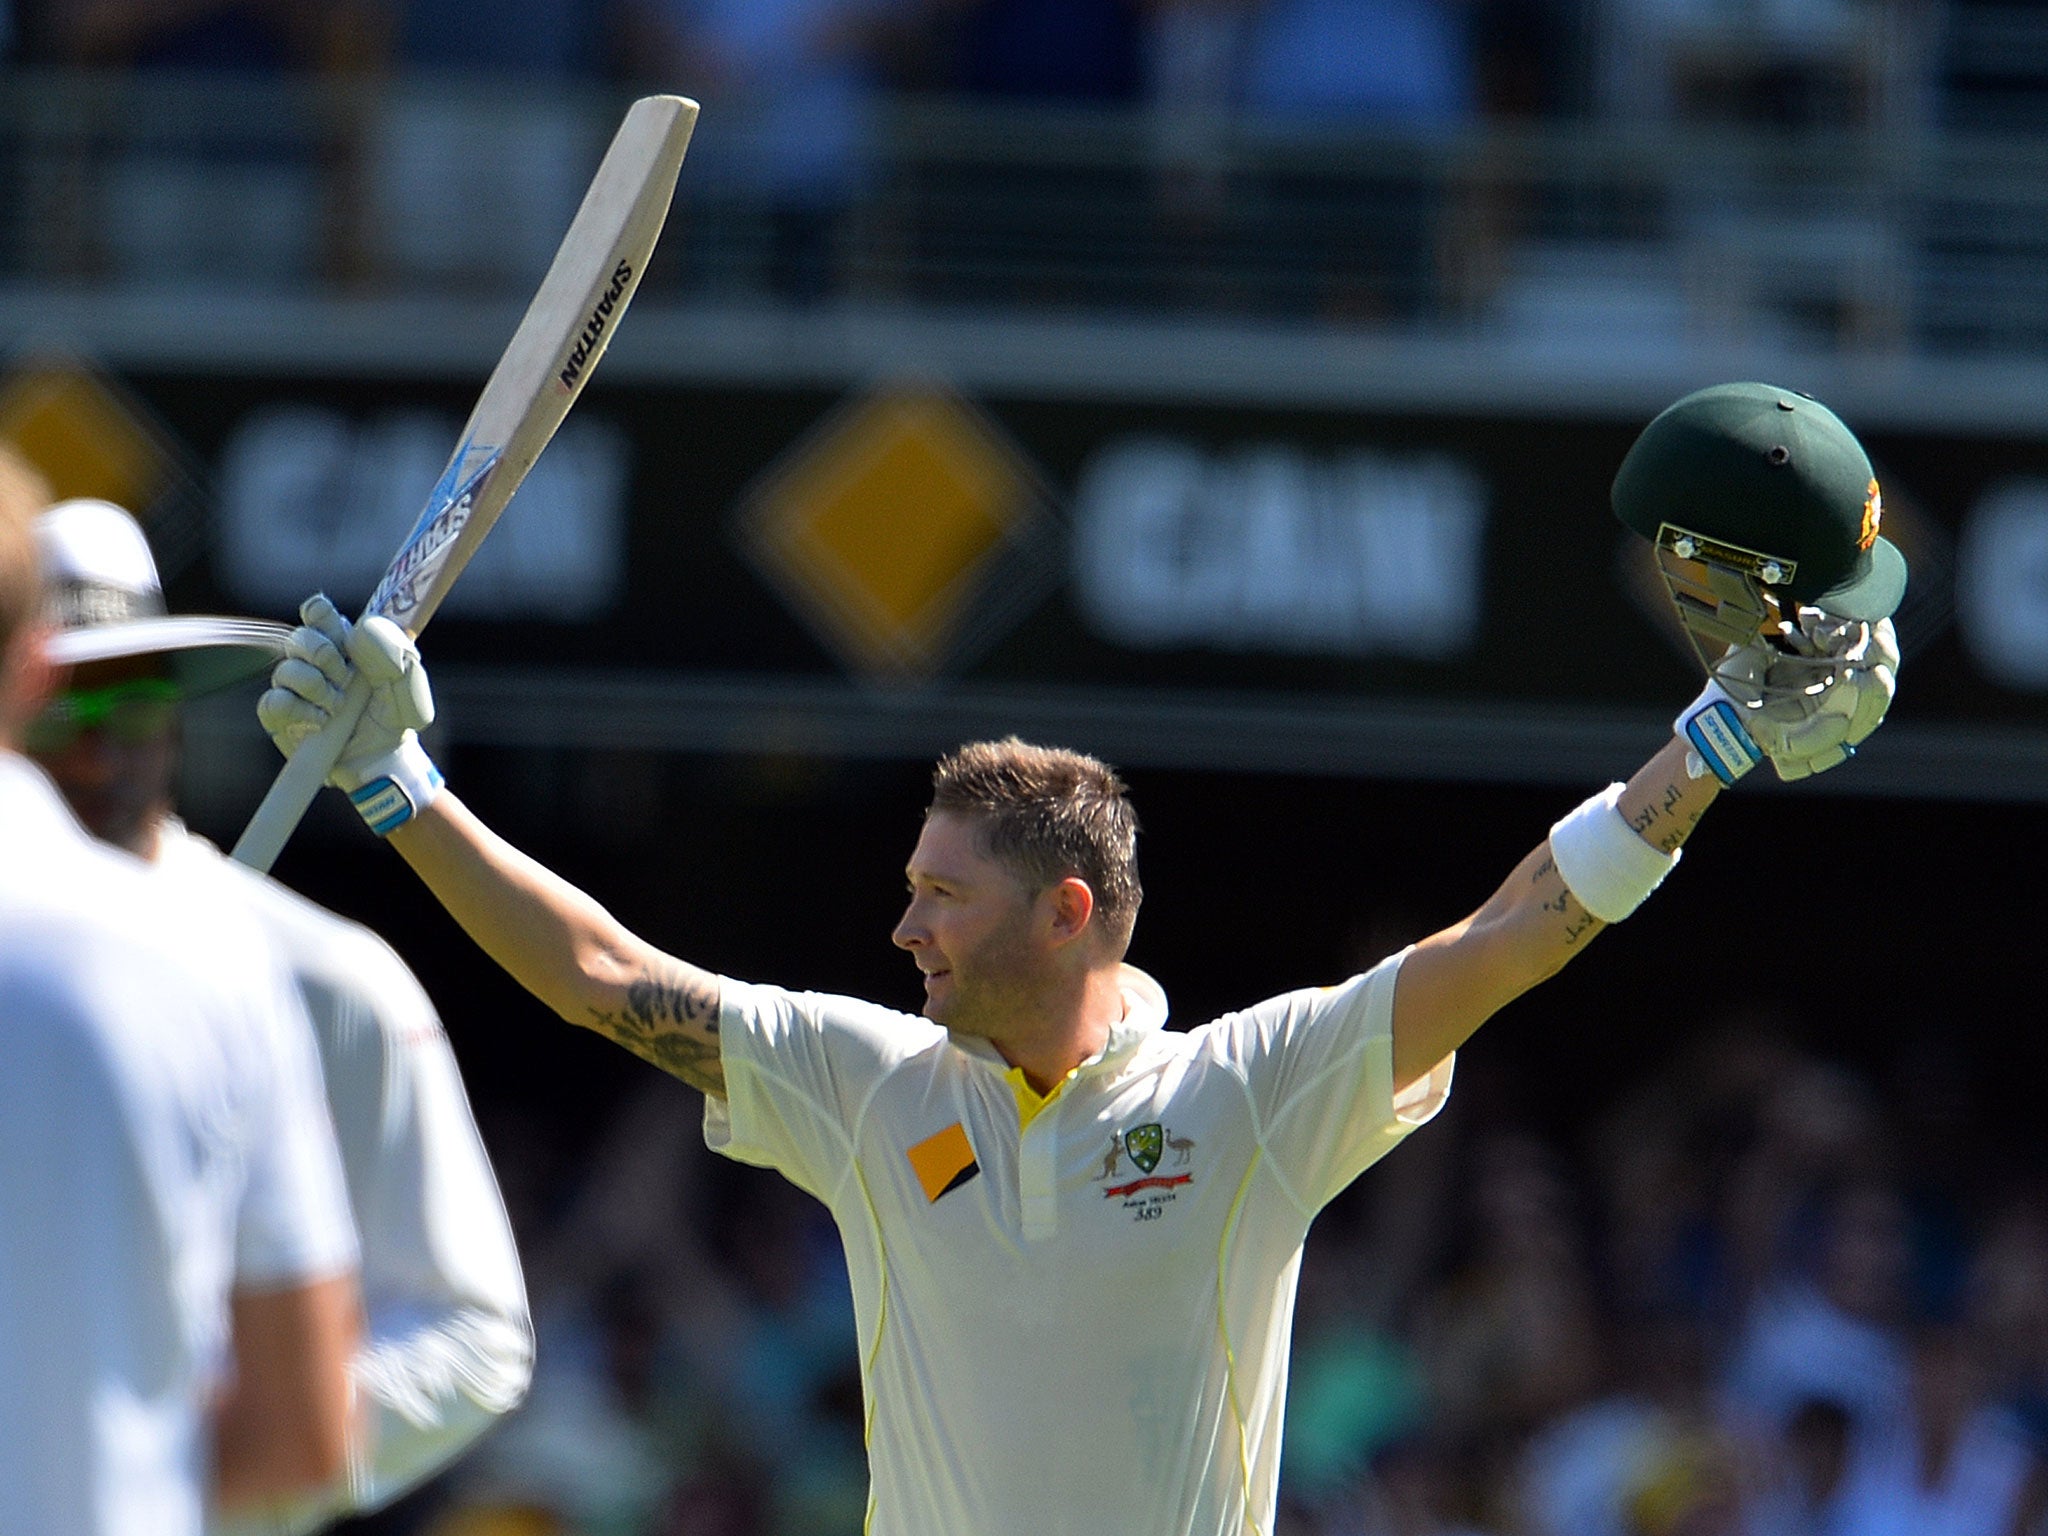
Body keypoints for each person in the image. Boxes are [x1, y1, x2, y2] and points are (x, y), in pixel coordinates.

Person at [255, 381, 1904, 1536]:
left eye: (939, 898)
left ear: (1066, 914)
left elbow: (1507, 935)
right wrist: (404, 793)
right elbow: (605, 978)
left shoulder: (1252, 1090)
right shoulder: (862, 1082)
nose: (899, 928)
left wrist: (1695, 757)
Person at [26, 497, 535, 1535]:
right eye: (63, 698)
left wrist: (196, 1460)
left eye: (129, 691)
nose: (98, 737)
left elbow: (471, 1334)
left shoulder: (324, 981)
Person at [0, 464, 362, 1533]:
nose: (113, 738)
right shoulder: (216, 960)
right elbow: (303, 1432)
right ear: (32, 670)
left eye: (142, 698)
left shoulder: (239, 957)